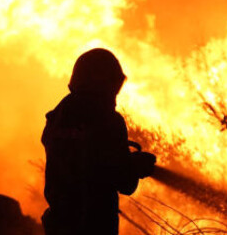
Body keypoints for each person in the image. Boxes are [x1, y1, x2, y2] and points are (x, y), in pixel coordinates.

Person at [41, 48, 156, 234]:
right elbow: (125, 183)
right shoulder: (108, 119)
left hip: (59, 225)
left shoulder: (57, 117)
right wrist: (136, 165)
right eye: (112, 86)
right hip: (95, 226)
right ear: (101, 83)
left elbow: (81, 158)